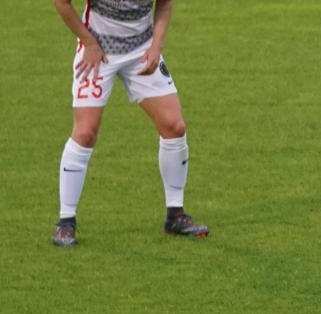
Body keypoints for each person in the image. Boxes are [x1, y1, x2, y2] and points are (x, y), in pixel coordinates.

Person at [50, 0, 208, 247]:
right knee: (85, 132)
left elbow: (165, 5)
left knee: (174, 126)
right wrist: (88, 42)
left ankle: (175, 215)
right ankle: (65, 222)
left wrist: (157, 45)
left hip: (141, 51)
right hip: (98, 51)